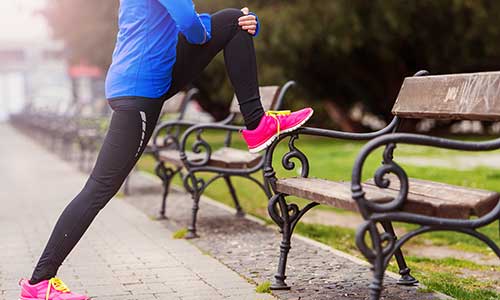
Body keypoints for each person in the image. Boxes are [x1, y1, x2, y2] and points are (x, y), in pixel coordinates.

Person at [18, 0, 313, 299]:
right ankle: (40, 281)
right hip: (139, 90)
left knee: (233, 20)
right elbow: (190, 27)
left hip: (144, 79)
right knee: (99, 187)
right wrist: (209, 30)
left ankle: (257, 124)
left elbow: (186, 24)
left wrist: (241, 26)